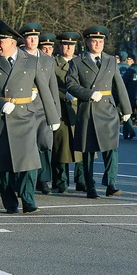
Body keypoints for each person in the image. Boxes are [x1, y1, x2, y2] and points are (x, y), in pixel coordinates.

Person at [0, 19, 59, 214]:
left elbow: (44, 88)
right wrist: (0, 104)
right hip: (1, 118)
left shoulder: (31, 61)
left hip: (25, 115)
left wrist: (53, 118)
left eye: (1, 42)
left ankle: (28, 199)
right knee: (4, 163)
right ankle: (10, 202)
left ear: (13, 43)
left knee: (29, 160)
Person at [66, 26, 132, 198]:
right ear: (87, 42)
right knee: (88, 152)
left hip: (107, 110)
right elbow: (71, 85)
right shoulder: (77, 62)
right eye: (94, 41)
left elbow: (119, 84)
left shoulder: (111, 60)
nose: (97, 44)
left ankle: (110, 183)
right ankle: (90, 187)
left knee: (112, 149)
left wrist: (126, 108)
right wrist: (88, 94)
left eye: (100, 41)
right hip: (88, 110)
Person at [19, 23, 61, 195]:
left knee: (44, 143)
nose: (33, 41)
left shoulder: (47, 60)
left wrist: (56, 114)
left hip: (43, 107)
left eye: (35, 38)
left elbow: (53, 87)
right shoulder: (19, 57)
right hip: (24, 106)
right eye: (29, 38)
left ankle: (43, 179)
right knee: (27, 145)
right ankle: (28, 179)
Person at [52, 32, 84, 192]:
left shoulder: (81, 62)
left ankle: (82, 180)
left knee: (82, 147)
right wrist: (65, 94)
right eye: (65, 44)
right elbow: (49, 85)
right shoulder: (53, 63)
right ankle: (61, 181)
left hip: (80, 110)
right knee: (61, 148)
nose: (68, 48)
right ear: (60, 46)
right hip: (62, 110)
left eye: (71, 45)